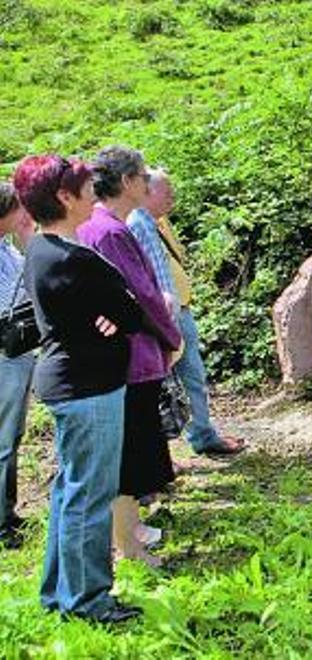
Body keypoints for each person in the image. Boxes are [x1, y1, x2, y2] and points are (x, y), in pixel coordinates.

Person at [14, 154, 144, 623]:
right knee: (90, 496)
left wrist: (114, 313)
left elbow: (118, 311)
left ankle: (58, 592)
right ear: (64, 198)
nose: (94, 192)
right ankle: (88, 601)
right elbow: (130, 311)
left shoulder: (42, 249)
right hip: (88, 388)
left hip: (72, 381)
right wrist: (118, 313)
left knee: (71, 492)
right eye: (85, 187)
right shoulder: (71, 259)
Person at [78, 146, 182, 566]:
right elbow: (142, 297)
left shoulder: (99, 226)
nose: (147, 183)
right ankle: (131, 548)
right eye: (141, 176)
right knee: (129, 458)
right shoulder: (111, 232)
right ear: (125, 182)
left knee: (127, 453)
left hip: (120, 357)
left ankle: (131, 535)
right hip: (133, 357)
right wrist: (171, 335)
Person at [145, 169, 244, 456]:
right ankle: (187, 439)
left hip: (178, 307)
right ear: (146, 192)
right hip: (164, 314)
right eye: (167, 192)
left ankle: (200, 432)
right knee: (173, 379)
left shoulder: (159, 223)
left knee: (192, 375)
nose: (173, 197)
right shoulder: (137, 224)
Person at [0, 184, 36, 550]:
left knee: (13, 436)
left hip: (20, 353)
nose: (24, 215)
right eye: (19, 209)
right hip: (4, 359)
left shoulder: (8, 249)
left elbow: (33, 278)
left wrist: (27, 238)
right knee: (3, 440)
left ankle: (7, 512)